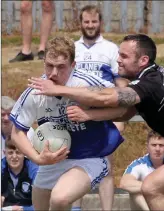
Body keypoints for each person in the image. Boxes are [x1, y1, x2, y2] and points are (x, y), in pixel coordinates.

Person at [29, 34, 164, 211]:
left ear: (143, 60)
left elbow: (107, 98)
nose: (118, 60)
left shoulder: (151, 83)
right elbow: (125, 113)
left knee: (151, 187)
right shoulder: (147, 80)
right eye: (119, 54)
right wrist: (90, 116)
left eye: (124, 56)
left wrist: (59, 90)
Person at [10, 36, 124, 211]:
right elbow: (17, 132)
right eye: (49, 65)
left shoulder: (87, 83)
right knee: (41, 206)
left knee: (60, 198)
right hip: (53, 162)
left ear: (73, 65)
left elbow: (124, 108)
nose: (54, 73)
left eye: (61, 67)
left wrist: (90, 114)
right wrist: (37, 158)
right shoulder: (35, 92)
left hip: (91, 157)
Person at [74, 5, 128, 210]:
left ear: (100, 23)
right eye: (86, 22)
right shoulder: (73, 48)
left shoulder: (111, 49)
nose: (90, 26)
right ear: (80, 23)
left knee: (106, 164)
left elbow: (121, 83)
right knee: (76, 163)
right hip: (79, 112)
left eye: (93, 21)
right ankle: (76, 208)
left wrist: (121, 115)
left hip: (105, 113)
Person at [120, 130, 164, 210]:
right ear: (147, 147)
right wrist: (156, 189)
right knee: (135, 192)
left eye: (161, 145)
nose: (157, 149)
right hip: (149, 207)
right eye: (154, 145)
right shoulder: (139, 164)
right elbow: (124, 183)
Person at [1, 136, 38, 211]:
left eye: (18, 152)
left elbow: (43, 204)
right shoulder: (1, 168)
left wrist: (23, 209)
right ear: (4, 153)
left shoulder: (34, 169)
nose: (14, 156)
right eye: (10, 152)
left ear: (24, 153)